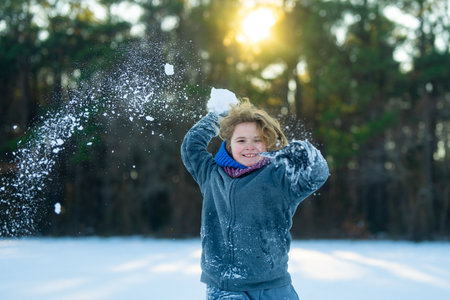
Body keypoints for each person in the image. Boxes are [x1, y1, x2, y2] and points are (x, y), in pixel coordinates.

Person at [181, 90, 329, 300]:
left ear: (267, 143)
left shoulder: (279, 176)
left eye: (257, 140)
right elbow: (191, 147)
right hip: (225, 285)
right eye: (241, 140)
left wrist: (306, 153)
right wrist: (217, 116)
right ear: (229, 144)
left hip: (272, 284)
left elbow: (316, 176)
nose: (249, 146)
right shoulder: (211, 174)